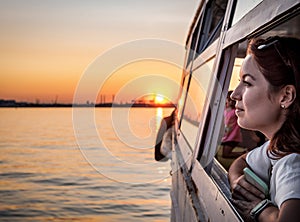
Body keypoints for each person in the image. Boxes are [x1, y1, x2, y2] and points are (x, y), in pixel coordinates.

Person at [228, 36, 300, 222]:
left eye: (247, 83)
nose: (235, 94)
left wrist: (260, 209)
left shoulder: (292, 163)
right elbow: (242, 160)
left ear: (286, 96)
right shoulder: (277, 147)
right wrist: (237, 179)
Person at [221, 90, 244, 158]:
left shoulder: (235, 112)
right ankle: (244, 153)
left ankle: (245, 154)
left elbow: (229, 125)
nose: (226, 101)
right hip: (227, 136)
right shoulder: (226, 110)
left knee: (226, 154)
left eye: (227, 100)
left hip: (233, 137)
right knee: (224, 154)